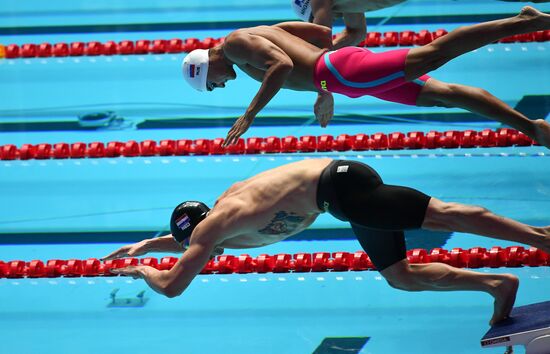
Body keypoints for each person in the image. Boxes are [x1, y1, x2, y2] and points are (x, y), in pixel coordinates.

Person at [105, 158, 550, 325]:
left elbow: (172, 286)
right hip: (341, 199)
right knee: (400, 276)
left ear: (202, 232)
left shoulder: (218, 226)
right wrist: (147, 246)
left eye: (195, 247)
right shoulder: (219, 221)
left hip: (341, 187)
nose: (204, 254)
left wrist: (142, 271)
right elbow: (190, 242)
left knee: (441, 215)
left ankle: (538, 238)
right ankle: (497, 284)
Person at [180, 6, 550, 149]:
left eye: (213, 83)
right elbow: (322, 38)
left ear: (204, 66)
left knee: (433, 55)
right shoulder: (255, 30)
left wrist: (250, 114)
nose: (222, 85)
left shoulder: (232, 47)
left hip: (344, 75)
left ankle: (523, 22)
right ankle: (532, 128)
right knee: (445, 94)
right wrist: (322, 88)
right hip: (340, 70)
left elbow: (283, 66)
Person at [290, 0, 550, 49]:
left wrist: (323, 91)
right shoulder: (345, 6)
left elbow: (321, 40)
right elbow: (356, 33)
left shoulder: (321, 1)